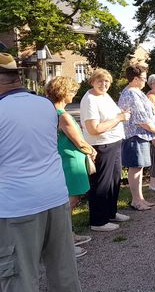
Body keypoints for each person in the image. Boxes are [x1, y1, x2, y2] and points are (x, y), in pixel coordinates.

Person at [0, 53, 82, 291]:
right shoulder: (44, 104)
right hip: (55, 197)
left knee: (20, 279)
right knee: (64, 273)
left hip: (16, 206)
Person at [46, 76, 97, 258]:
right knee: (71, 200)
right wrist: (91, 150)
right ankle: (62, 242)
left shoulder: (51, 112)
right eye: (72, 91)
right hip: (71, 159)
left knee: (70, 199)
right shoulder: (63, 115)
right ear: (64, 92)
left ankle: (70, 234)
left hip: (65, 156)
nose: (74, 94)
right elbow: (79, 141)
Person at [81, 68, 131, 231]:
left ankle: (110, 212)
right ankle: (98, 221)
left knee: (114, 180)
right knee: (101, 183)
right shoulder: (90, 99)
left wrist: (121, 115)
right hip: (101, 145)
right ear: (92, 82)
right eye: (100, 81)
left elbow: (111, 117)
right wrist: (119, 118)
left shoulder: (104, 96)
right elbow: (93, 129)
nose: (104, 84)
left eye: (107, 81)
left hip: (114, 142)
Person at [118, 64, 155, 211]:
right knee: (136, 167)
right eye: (143, 78)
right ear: (135, 79)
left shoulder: (137, 92)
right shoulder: (131, 93)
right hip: (135, 135)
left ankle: (140, 199)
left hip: (140, 135)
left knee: (139, 167)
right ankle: (136, 201)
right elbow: (141, 119)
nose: (145, 81)